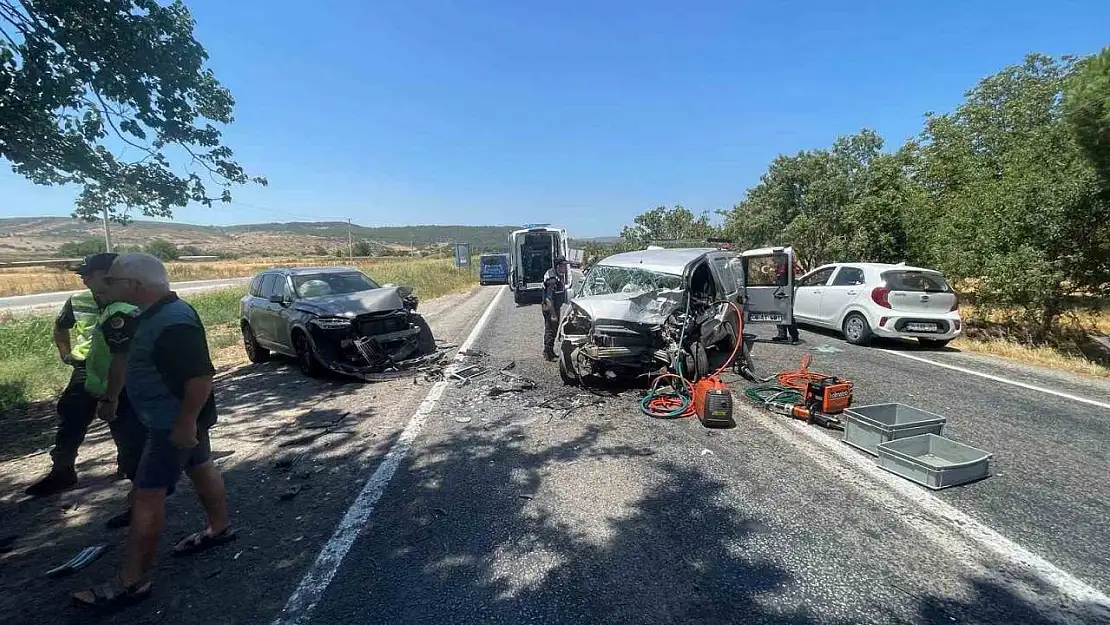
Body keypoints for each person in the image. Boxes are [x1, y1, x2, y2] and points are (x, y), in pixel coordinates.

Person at [73, 253, 236, 610]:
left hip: (171, 424)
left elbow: (200, 376)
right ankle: (219, 527)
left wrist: (183, 424)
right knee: (201, 465)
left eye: (113, 280)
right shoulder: (156, 314)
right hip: (177, 421)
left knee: (147, 496)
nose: (108, 286)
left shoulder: (172, 321)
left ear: (134, 285)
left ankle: (131, 582)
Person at [24, 253, 144, 500]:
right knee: (71, 419)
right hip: (86, 370)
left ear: (110, 274)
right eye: (83, 275)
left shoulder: (133, 301)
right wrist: (66, 354)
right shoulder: (78, 300)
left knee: (125, 422)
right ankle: (62, 470)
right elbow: (61, 326)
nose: (84, 280)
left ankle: (131, 470)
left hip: (123, 370)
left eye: (89, 274)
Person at [541, 256, 569, 361]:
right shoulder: (552, 280)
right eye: (564, 266)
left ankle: (548, 351)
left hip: (554, 307)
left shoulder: (557, 275)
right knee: (551, 330)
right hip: (550, 308)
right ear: (558, 266)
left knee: (553, 329)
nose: (565, 268)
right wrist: (553, 314)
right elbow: (548, 298)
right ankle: (549, 354)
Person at [772, 254, 804, 345]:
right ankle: (782, 335)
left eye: (777, 258)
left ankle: (794, 337)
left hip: (786, 292)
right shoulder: (780, 266)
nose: (775, 260)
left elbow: (787, 280)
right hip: (780, 291)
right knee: (779, 312)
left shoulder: (787, 266)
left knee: (787, 313)